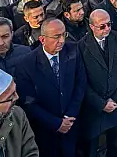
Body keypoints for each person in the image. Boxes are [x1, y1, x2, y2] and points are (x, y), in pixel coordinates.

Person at [15, 19, 86, 157]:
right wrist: (57, 123)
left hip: (71, 122)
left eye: (64, 35)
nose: (62, 41)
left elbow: (80, 83)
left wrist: (69, 116)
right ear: (42, 39)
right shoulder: (26, 64)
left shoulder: (73, 50)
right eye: (56, 36)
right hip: (46, 129)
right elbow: (29, 102)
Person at [79, 9, 117, 157]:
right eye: (102, 26)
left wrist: (116, 98)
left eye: (109, 24)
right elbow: (82, 82)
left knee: (114, 143)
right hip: (95, 108)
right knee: (91, 148)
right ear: (92, 26)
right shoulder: (81, 47)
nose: (107, 28)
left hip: (115, 104)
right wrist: (101, 104)